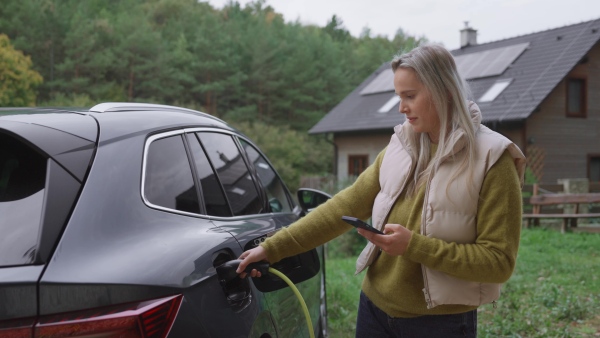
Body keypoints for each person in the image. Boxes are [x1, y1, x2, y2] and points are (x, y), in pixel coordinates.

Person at [237, 44, 526, 338]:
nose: (401, 108)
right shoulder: (401, 146)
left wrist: (413, 246)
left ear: (445, 91)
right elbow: (344, 205)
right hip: (374, 310)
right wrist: (272, 247)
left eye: (410, 96)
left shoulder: (493, 158)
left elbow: (498, 263)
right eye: (399, 97)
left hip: (439, 325)